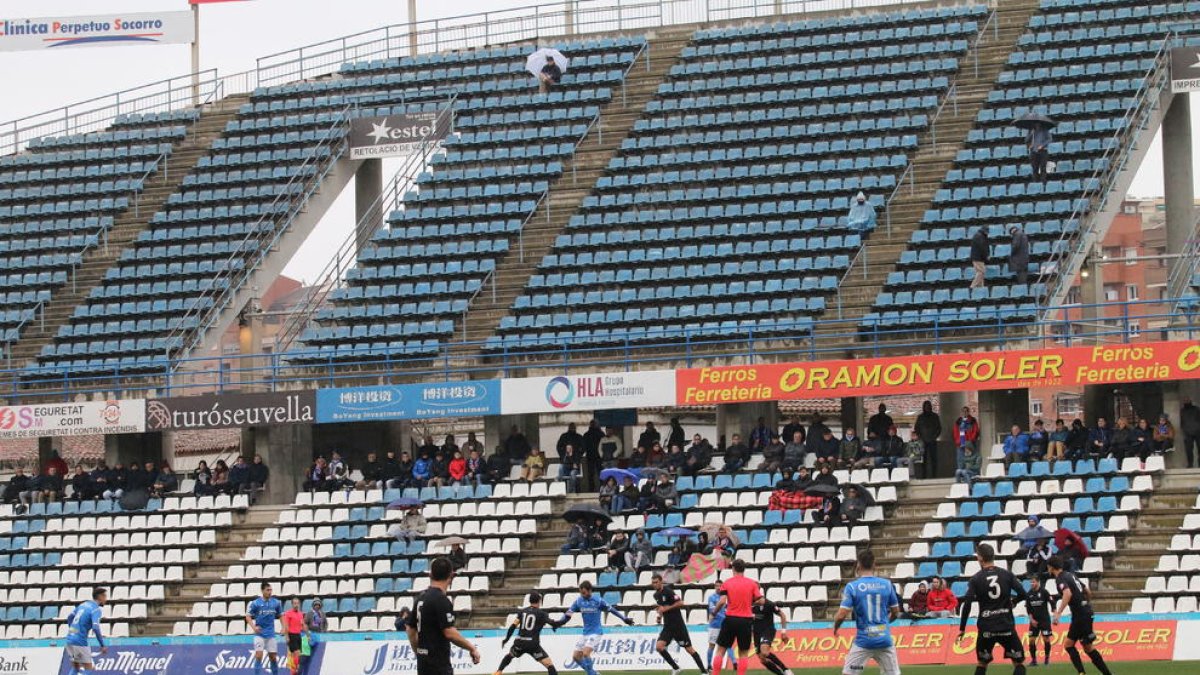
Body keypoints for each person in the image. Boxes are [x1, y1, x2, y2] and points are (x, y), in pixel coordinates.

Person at [957, 543, 1027, 675]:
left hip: (986, 628)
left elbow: (967, 603)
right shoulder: (1007, 574)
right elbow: (1023, 593)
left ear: (980, 558)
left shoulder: (976, 578)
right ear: (993, 556)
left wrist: (962, 628)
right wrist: (1014, 602)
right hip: (1006, 626)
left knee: (982, 664)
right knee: (1018, 663)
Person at [406, 557, 482, 673]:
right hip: (438, 665)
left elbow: (410, 629)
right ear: (451, 576)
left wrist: (419, 652)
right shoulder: (441, 600)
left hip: (423, 665)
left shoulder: (421, 598)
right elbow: (449, 633)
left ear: (430, 575)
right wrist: (471, 648)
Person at [833, 550, 901, 675]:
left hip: (864, 643)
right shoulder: (887, 584)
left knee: (852, 671)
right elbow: (896, 612)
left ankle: (859, 668)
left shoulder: (852, 587)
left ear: (858, 565)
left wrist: (835, 628)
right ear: (874, 564)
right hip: (884, 641)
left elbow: (842, 614)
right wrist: (885, 623)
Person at [1049, 555, 1113, 675]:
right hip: (1085, 612)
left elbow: (1067, 594)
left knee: (1072, 646)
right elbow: (1087, 591)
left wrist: (1058, 613)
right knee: (1084, 646)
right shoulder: (1071, 575)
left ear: (1051, 567)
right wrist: (1085, 603)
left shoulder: (1060, 579)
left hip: (1080, 615)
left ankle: (1083, 673)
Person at [555, 581, 634, 675]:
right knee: (576, 657)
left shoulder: (598, 601)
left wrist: (624, 618)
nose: (582, 595)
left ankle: (591, 673)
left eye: (584, 593)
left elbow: (612, 610)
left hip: (596, 632)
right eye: (581, 593)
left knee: (585, 653)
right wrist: (558, 623)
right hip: (585, 633)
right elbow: (568, 614)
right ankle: (593, 673)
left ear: (590, 591)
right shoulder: (578, 601)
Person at [651, 573, 710, 675]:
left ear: (661, 581)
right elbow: (661, 607)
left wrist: (666, 608)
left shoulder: (668, 591)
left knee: (689, 649)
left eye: (656, 582)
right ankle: (676, 668)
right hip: (668, 627)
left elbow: (680, 603)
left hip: (678, 626)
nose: (654, 584)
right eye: (653, 583)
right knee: (659, 647)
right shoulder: (656, 595)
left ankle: (704, 672)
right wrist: (659, 616)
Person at [710, 559, 761, 675]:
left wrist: (713, 613)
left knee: (720, 650)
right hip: (745, 620)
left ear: (733, 569)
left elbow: (722, 601)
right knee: (743, 653)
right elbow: (759, 599)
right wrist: (749, 602)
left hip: (730, 619)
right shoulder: (752, 583)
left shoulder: (727, 583)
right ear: (744, 569)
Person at [496, 592, 560, 675]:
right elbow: (552, 623)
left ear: (529, 601)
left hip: (520, 643)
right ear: (539, 601)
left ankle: (498, 671)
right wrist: (556, 624)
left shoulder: (522, 612)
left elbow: (513, 626)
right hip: (532, 645)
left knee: (510, 655)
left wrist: (506, 639)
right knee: (549, 664)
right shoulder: (542, 614)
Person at [65, 586, 108, 672]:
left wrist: (73, 630)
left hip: (70, 639)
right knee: (89, 668)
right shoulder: (96, 609)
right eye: (105, 596)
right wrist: (102, 645)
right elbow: (96, 628)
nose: (106, 600)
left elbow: (70, 617)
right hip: (80, 641)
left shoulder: (83, 604)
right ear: (100, 597)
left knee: (75, 667)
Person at [246, 582, 284, 675]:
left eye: (270, 590)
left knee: (273, 657)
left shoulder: (276, 602)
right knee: (258, 656)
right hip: (260, 634)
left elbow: (281, 615)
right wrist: (254, 627)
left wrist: (283, 627)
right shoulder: (256, 603)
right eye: (267, 590)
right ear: (262, 590)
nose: (270, 592)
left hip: (271, 634)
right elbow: (248, 616)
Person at [752, 596, 792, 675]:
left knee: (765, 652)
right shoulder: (748, 603)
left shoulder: (769, 604)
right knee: (762, 659)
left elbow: (782, 615)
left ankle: (785, 669)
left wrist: (783, 632)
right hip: (756, 633)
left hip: (767, 630)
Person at [707, 580, 738, 672]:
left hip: (724, 625)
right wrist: (725, 616)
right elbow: (713, 611)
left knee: (727, 645)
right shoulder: (711, 597)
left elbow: (728, 609)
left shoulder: (726, 597)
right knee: (712, 646)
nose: (718, 587)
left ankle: (734, 663)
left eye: (720, 586)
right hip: (715, 625)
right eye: (716, 586)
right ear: (714, 587)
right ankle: (709, 665)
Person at [1025, 576, 1053, 667]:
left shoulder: (1044, 592)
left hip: (1044, 621)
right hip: (1034, 621)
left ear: (1038, 582)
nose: (1032, 584)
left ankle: (1047, 659)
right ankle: (1034, 660)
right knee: (1031, 640)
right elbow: (1028, 609)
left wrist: (1055, 611)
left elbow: (1051, 601)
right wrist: (1031, 619)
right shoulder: (1029, 594)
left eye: (1033, 582)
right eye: (1031, 582)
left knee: (1046, 639)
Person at [282, 597, 309, 675]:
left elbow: (303, 625)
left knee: (297, 655)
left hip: (298, 635)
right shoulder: (288, 613)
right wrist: (286, 636)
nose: (296, 605)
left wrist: (307, 634)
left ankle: (293, 672)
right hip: (291, 635)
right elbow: (286, 626)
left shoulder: (300, 614)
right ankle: (295, 671)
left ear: (299, 604)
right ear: (292, 604)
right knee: (296, 654)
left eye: (297, 603)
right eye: (294, 603)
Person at [914, 400, 942, 476]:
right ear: (924, 407)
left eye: (928, 406)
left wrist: (934, 437)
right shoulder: (920, 417)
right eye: (926, 406)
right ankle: (924, 475)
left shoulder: (935, 416)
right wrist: (921, 438)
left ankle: (934, 475)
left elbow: (939, 428)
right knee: (923, 459)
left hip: (932, 440)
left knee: (934, 459)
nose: (927, 407)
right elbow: (916, 429)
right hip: (923, 441)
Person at [1181, 397, 1200, 468]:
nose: (1186, 401)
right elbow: (1182, 422)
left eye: (1187, 400)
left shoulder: (1196, 409)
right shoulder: (1182, 411)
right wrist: (1184, 430)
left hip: (1198, 431)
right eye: (1185, 400)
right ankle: (1190, 464)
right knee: (1188, 449)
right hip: (1188, 432)